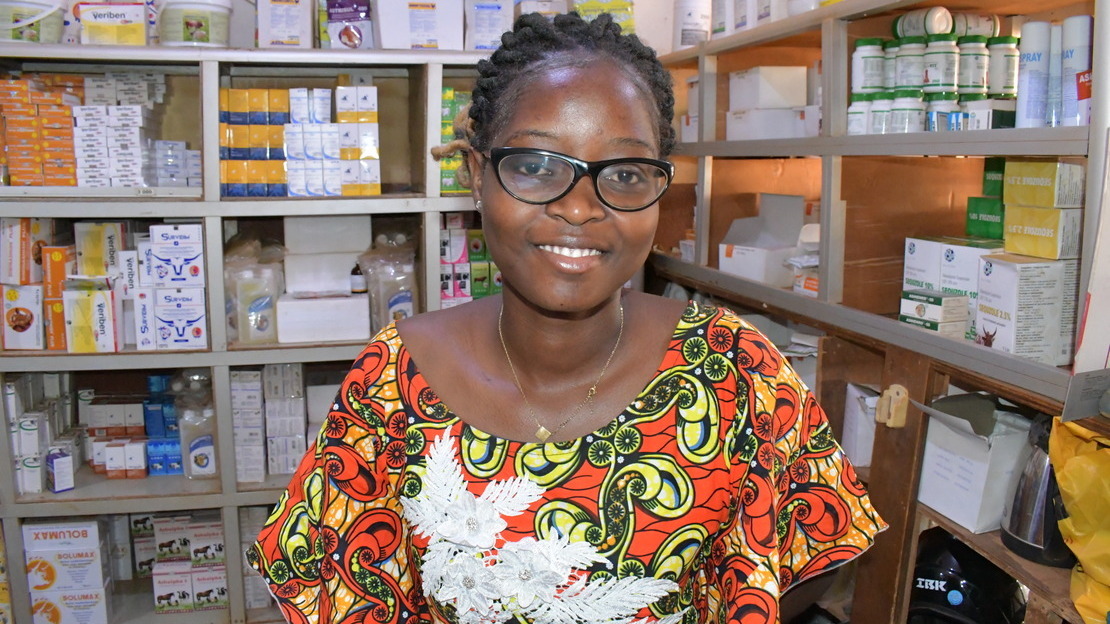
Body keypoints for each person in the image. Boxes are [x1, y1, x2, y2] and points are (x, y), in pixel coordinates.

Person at [248, 12, 886, 624]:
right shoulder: (394, 379)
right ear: (477, 175)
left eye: (626, 172)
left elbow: (813, 549)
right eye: (535, 166)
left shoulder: (735, 374)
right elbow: (327, 579)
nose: (580, 208)